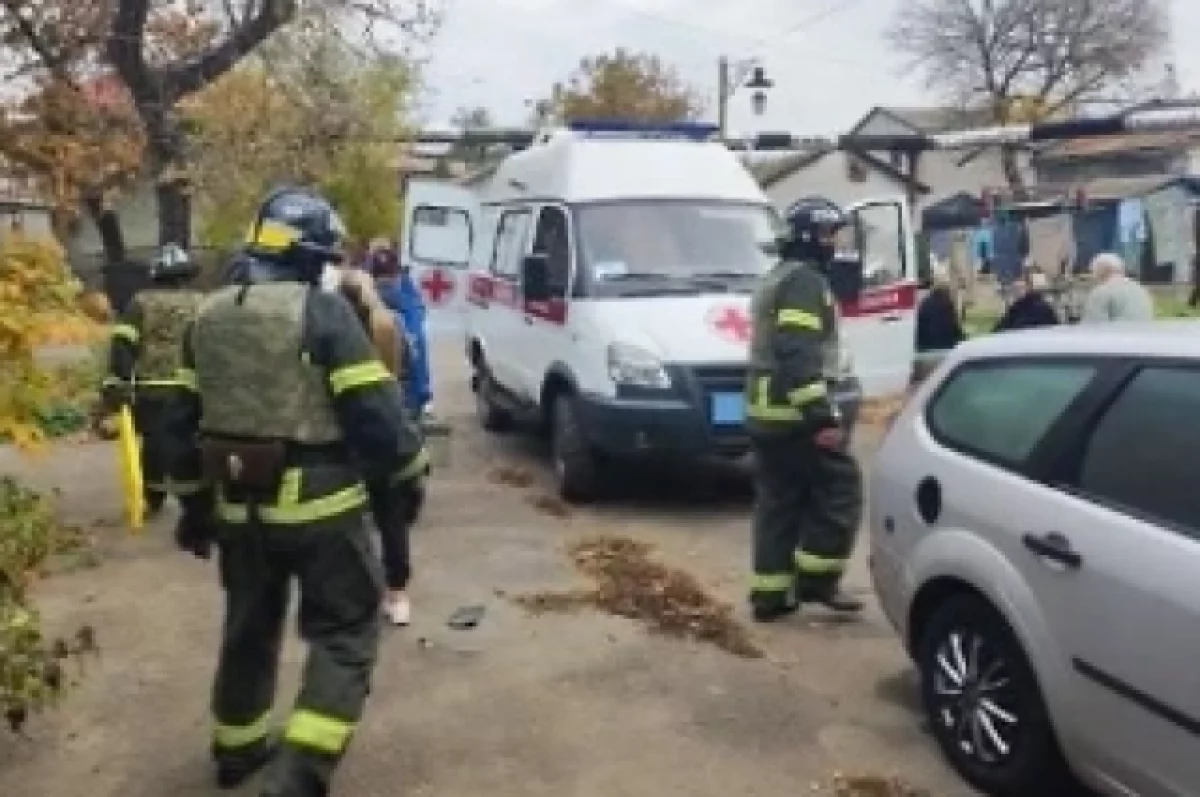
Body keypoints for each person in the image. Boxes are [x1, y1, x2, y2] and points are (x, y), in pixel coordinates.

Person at [160, 186, 428, 797]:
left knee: (248, 628)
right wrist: (409, 476)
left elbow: (177, 423)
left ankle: (237, 751)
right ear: (312, 256)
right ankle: (298, 775)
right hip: (323, 511)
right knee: (345, 633)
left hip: (237, 511)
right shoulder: (323, 313)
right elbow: (376, 415)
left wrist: (193, 509)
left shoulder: (207, 315)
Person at [745, 200, 864, 622]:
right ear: (812, 237)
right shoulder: (804, 283)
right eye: (831, 234)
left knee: (780, 502)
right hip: (793, 413)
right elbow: (796, 349)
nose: (836, 243)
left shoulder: (777, 277)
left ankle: (770, 594)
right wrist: (819, 414)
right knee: (839, 489)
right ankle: (817, 580)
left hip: (766, 410)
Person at [337, 266, 416, 627]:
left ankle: (353, 594)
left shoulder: (332, 332)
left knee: (343, 517)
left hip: (345, 432)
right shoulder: (391, 326)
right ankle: (397, 594)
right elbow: (410, 372)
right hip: (386, 427)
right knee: (391, 516)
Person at [102, 243, 204, 516]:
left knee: (155, 444)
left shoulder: (140, 303)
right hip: (192, 387)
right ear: (186, 276)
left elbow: (124, 341)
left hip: (152, 389)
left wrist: (118, 380)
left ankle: (152, 498)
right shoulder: (201, 302)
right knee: (191, 441)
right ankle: (194, 501)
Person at [371, 245, 433, 417]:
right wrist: (423, 393)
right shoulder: (409, 308)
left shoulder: (357, 303)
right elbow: (418, 352)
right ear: (397, 276)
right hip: (405, 399)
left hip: (370, 399)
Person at [913, 267, 965, 383]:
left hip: (924, 354)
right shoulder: (947, 304)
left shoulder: (924, 303)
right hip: (942, 353)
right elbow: (954, 331)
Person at [1080, 252, 1155, 324]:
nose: (1092, 277)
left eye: (1093, 272)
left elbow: (1092, 329)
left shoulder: (1101, 293)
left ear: (1101, 271)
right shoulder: (1141, 290)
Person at [994, 271, 1059, 331]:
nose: (1017, 292)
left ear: (1028, 287)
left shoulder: (1041, 309)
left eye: (1020, 288)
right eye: (1014, 289)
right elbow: (999, 330)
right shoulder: (1014, 310)